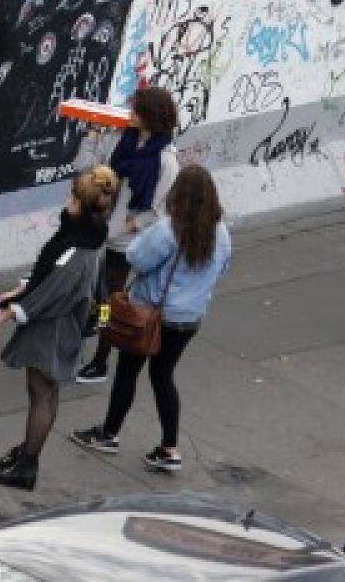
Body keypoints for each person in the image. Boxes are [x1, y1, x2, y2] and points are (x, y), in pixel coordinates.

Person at [70, 165, 231, 473]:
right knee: (163, 376)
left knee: (128, 372)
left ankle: (109, 433)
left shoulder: (169, 229)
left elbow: (136, 258)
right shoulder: (220, 231)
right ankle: (169, 447)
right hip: (189, 318)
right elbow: (222, 268)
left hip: (150, 314)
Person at [0, 167, 118, 491]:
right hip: (60, 325)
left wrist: (10, 311)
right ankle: (26, 454)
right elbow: (49, 272)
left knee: (41, 392)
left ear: (80, 201)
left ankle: (26, 465)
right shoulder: (88, 235)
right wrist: (21, 289)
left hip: (54, 328)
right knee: (46, 391)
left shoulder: (78, 246)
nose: (67, 199)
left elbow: (55, 289)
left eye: (71, 194)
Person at [76, 85, 180, 384]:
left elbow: (160, 211)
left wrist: (129, 225)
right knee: (91, 292)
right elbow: (86, 169)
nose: (129, 113)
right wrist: (93, 134)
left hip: (125, 242)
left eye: (136, 110)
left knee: (110, 301)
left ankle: (100, 360)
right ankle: (87, 332)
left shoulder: (165, 160)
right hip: (98, 231)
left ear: (150, 117)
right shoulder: (121, 139)